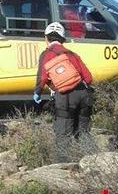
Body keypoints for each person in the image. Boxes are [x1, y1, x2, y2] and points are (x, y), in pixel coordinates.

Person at [33, 22, 94, 160]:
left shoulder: (46, 54)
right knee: (84, 132)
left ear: (46, 38)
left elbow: (42, 77)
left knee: (63, 134)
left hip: (65, 96)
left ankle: (62, 168)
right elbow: (88, 78)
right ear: (63, 39)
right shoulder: (72, 54)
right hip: (84, 96)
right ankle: (94, 162)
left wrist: (37, 91)